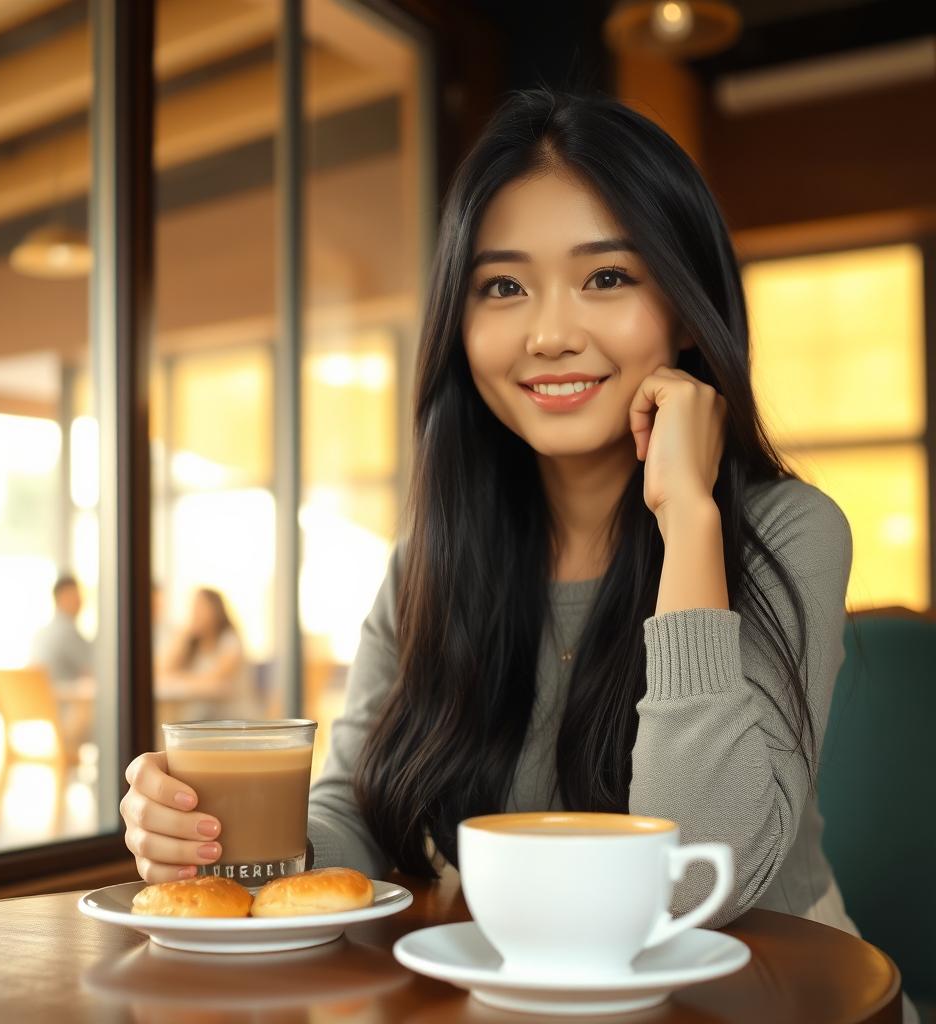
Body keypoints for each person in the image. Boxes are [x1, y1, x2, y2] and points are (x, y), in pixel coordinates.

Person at [120, 89, 859, 936]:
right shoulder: (430, 563)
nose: (549, 334)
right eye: (503, 286)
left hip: (782, 994)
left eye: (607, 277)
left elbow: (696, 882)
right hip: (524, 993)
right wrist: (213, 841)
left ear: (686, 310)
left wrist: (689, 517)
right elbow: (351, 820)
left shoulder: (788, 531)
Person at [155, 587, 247, 718]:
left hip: (231, 716)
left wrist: (181, 678)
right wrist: (184, 635)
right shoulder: (193, 642)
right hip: (199, 715)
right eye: (193, 608)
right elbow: (165, 669)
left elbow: (218, 679)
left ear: (215, 610)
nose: (195, 613)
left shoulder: (230, 640)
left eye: (200, 607)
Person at [30, 574, 93, 684]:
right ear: (62, 598)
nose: (80, 601)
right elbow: (95, 666)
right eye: (75, 595)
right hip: (63, 699)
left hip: (39, 698)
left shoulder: (41, 634)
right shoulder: (67, 632)